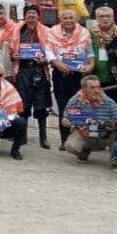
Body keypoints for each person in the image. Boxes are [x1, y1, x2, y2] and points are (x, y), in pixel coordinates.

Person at [46, 9, 95, 149]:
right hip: (60, 74)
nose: (68, 20)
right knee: (64, 107)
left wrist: (91, 65)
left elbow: (90, 51)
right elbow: (48, 51)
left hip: (79, 75)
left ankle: (81, 139)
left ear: (77, 18)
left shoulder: (84, 32)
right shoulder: (53, 32)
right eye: (65, 18)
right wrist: (57, 63)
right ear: (60, 19)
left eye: (71, 17)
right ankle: (65, 140)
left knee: (81, 106)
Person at [10, 5, 52, 149]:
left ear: (38, 15)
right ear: (25, 15)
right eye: (29, 13)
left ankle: (43, 138)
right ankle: (22, 136)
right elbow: (11, 48)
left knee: (41, 106)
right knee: (23, 104)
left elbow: (52, 50)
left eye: (34, 13)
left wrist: (45, 59)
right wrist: (13, 54)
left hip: (40, 69)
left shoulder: (46, 31)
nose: (31, 15)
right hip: (23, 69)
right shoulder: (18, 29)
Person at [61, 75, 117, 163]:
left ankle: (115, 159)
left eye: (98, 87)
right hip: (84, 132)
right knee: (70, 146)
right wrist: (65, 121)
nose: (96, 90)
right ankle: (84, 152)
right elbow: (66, 117)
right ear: (84, 88)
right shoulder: (75, 101)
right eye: (92, 88)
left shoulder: (109, 102)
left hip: (103, 134)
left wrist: (115, 124)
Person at [90, 6, 117, 87]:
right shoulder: (89, 34)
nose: (105, 19)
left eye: (108, 16)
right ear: (96, 18)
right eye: (101, 16)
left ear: (112, 17)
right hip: (97, 78)